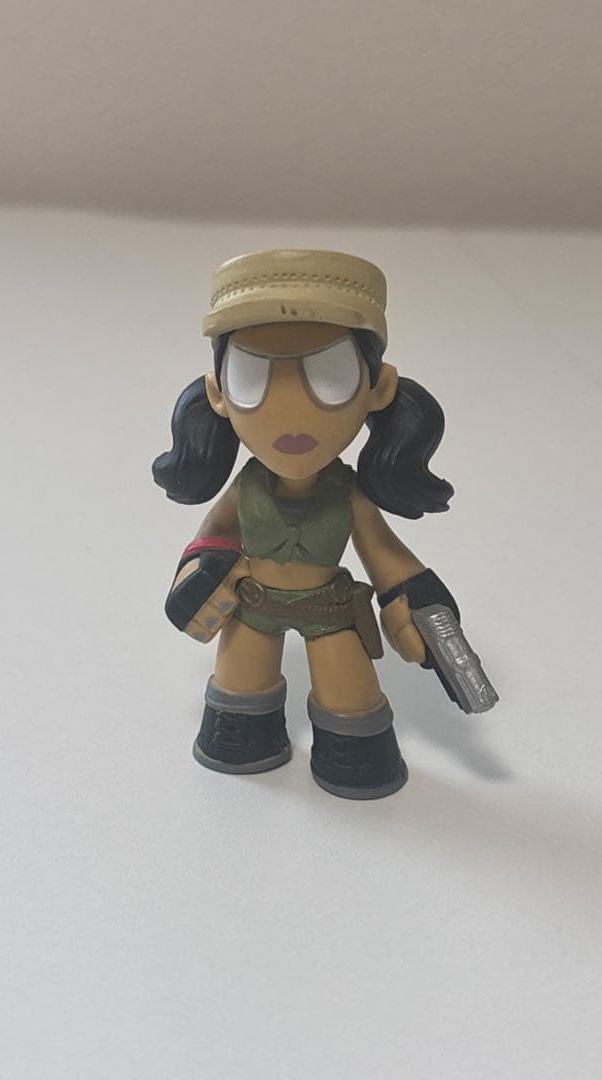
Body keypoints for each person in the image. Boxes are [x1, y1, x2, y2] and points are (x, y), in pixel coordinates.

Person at [153, 248, 462, 799]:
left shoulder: (348, 494)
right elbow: (211, 538)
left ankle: (355, 761)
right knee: (238, 694)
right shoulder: (245, 488)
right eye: (252, 377)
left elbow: (385, 554)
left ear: (378, 388)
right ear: (218, 393)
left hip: (330, 612)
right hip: (251, 607)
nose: (290, 412)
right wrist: (200, 574)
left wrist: (417, 599)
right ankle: (244, 741)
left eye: (330, 375)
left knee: (351, 701)